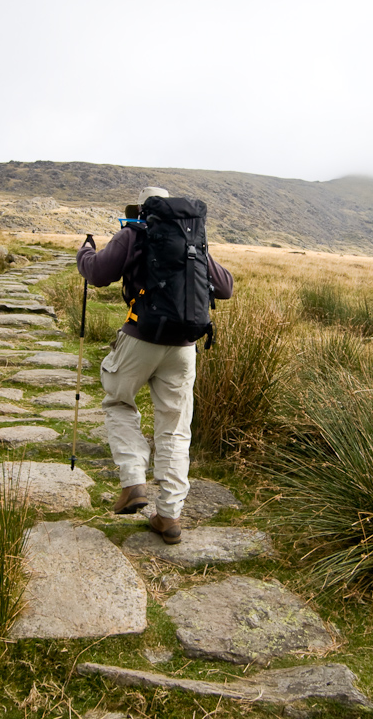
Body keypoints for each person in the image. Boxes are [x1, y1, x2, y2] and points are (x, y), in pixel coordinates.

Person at [77, 186, 233, 544]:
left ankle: (133, 483)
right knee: (175, 427)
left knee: (119, 402)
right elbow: (225, 287)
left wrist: (83, 252)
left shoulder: (133, 233)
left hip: (140, 336)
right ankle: (169, 515)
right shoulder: (192, 241)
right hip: (184, 347)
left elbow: (98, 274)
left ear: (142, 209)